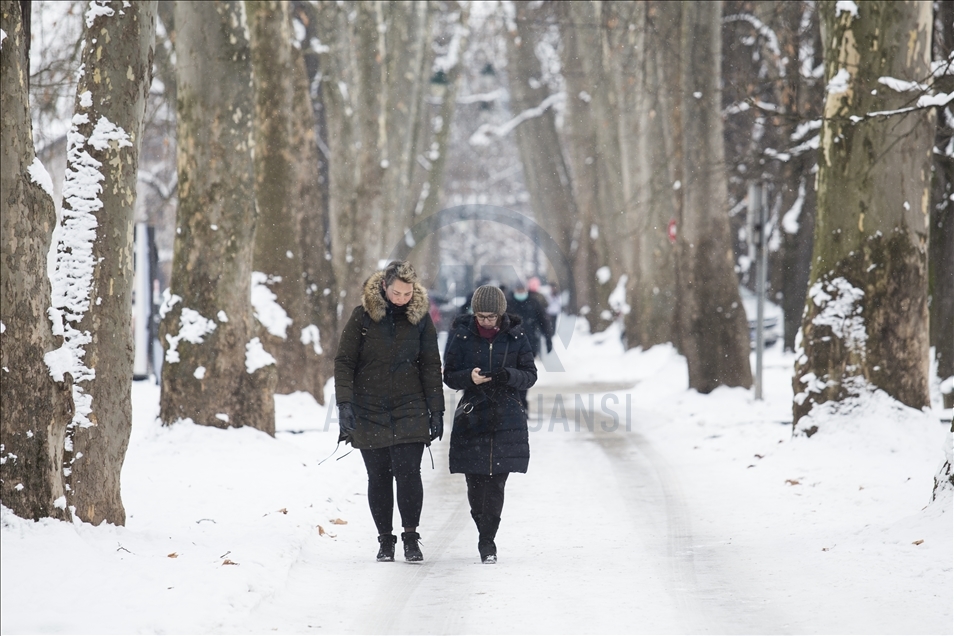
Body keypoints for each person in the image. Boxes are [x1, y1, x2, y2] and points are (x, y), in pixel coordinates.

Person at [334, 261, 445, 563]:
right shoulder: (363, 318)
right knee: (379, 476)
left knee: (409, 473)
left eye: (408, 293)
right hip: (369, 407)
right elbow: (344, 362)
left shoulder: (420, 320)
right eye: (397, 293)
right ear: (384, 287)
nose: (402, 298)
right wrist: (344, 404)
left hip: (411, 406)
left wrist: (437, 410)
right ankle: (385, 540)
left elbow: (431, 366)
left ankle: (411, 537)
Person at [442, 285, 537, 563]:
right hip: (473, 414)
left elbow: (530, 375)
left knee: (496, 482)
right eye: (481, 316)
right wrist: (469, 378)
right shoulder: (461, 334)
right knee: (475, 481)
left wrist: (509, 376)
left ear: (500, 313)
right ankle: (483, 529)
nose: (485, 321)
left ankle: (488, 541)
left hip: (507, 414)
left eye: (491, 317)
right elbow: (449, 375)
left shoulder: (516, 335)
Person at [507, 280, 553, 358]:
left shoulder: (533, 302)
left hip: (531, 340)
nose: (521, 292)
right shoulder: (508, 303)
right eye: (519, 290)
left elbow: (543, 321)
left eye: (523, 290)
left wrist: (548, 339)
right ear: (514, 290)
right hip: (512, 342)